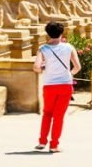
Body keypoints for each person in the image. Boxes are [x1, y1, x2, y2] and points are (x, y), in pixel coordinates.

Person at [32, 21, 80, 153]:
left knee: (47, 113)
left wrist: (44, 68)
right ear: (61, 33)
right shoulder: (69, 47)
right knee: (58, 116)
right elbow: (77, 67)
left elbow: (36, 67)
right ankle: (54, 145)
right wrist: (69, 74)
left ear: (47, 33)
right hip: (65, 85)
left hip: (49, 85)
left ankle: (42, 142)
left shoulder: (43, 49)